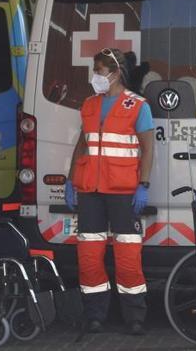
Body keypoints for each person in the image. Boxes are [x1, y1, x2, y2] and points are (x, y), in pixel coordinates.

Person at [64, 48, 154, 335]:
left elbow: (148, 147)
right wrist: (70, 179)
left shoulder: (138, 105)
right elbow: (82, 143)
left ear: (115, 73)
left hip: (123, 190)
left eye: (99, 71)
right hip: (90, 189)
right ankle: (94, 315)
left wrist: (144, 184)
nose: (95, 76)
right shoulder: (90, 104)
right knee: (89, 256)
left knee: (128, 256)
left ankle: (135, 317)